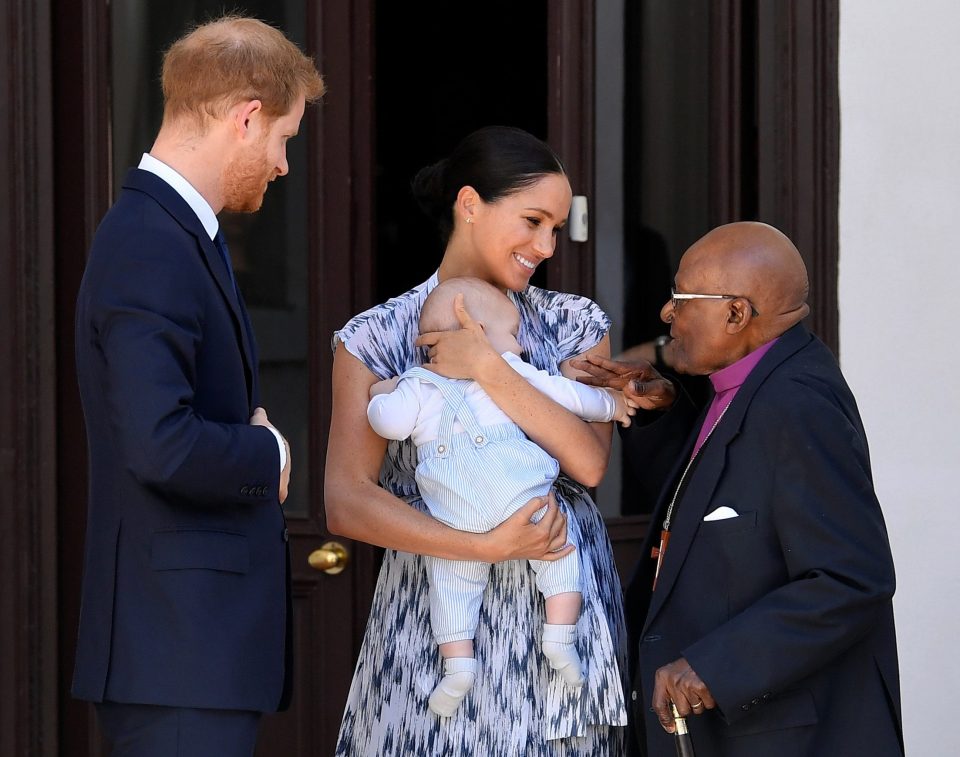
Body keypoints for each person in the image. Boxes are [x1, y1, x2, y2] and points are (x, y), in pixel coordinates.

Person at [325, 126, 628, 755]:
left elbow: (590, 464)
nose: (546, 244)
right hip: (438, 618)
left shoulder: (574, 323)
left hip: (559, 617)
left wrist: (489, 367)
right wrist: (483, 545)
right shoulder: (376, 336)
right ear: (469, 205)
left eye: (556, 226)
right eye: (533, 221)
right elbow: (346, 501)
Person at [72, 16, 324, 756]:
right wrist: (269, 455)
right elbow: (161, 444)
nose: (282, 165)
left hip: (186, 654)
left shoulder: (176, 233)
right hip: (174, 654)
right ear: (247, 118)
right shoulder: (151, 241)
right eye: (284, 139)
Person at [574, 222, 903, 756]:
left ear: (735, 313)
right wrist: (665, 416)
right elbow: (723, 512)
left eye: (681, 298)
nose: (665, 314)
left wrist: (716, 666)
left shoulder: (799, 403)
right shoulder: (745, 384)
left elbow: (851, 577)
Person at [366, 276, 636, 717]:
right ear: (479, 332)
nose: (523, 347)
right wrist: (613, 407)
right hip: (521, 496)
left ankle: (457, 669)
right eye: (513, 335)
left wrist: (380, 394)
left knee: (450, 588)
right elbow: (572, 397)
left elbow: (389, 425)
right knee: (559, 552)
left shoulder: (416, 385)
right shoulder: (514, 371)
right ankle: (560, 637)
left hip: (455, 517)